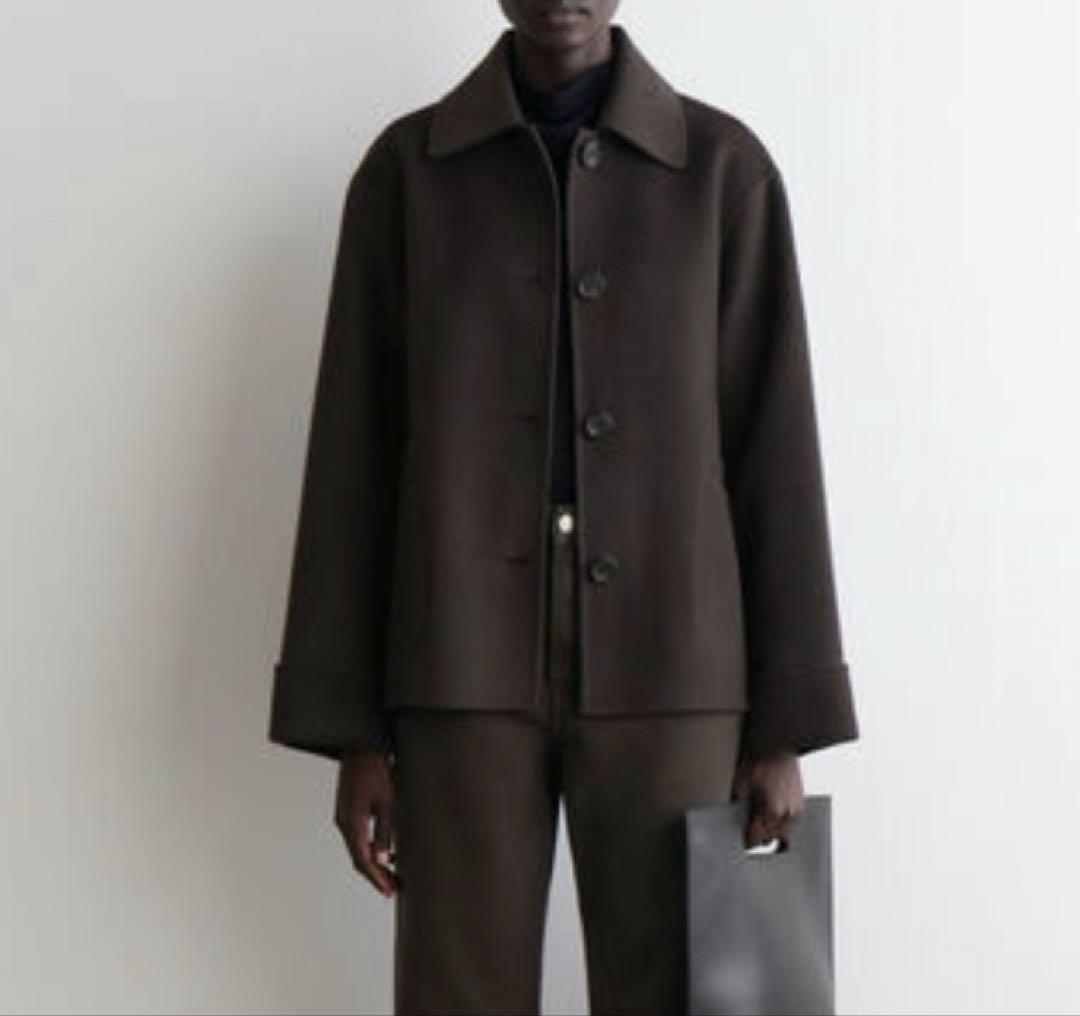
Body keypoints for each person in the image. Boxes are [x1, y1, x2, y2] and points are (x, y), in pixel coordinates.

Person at [268, 2, 859, 1013]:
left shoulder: (722, 171)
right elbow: (354, 451)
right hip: (456, 657)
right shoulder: (408, 174)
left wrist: (785, 726)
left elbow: (775, 451)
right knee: (458, 994)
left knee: (687, 989)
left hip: (677, 655)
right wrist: (352, 724)